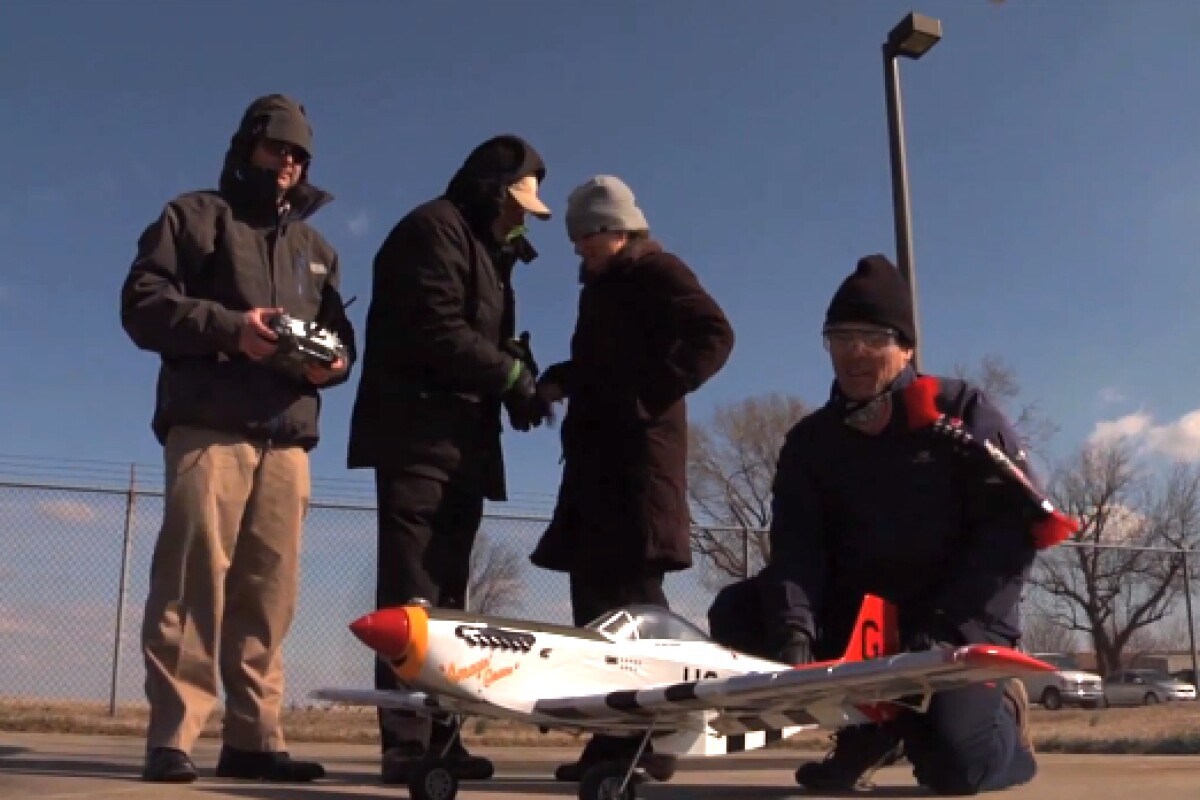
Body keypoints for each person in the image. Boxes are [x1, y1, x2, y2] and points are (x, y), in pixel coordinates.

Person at [707, 254, 1038, 795]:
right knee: (739, 613)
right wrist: (795, 631)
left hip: (955, 619)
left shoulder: (960, 412)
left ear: (906, 348)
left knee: (955, 769)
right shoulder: (810, 442)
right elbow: (796, 547)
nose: (854, 352)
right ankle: (868, 730)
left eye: (873, 338)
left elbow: (1011, 533)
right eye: (840, 338)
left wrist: (947, 630)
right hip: (862, 619)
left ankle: (1003, 717)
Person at [120, 94, 355, 783]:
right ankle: (173, 737)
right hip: (210, 427)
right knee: (192, 581)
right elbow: (142, 304)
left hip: (288, 438)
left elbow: (340, 337)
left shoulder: (318, 250)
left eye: (300, 153)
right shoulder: (193, 217)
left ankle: (254, 738)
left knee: (270, 594)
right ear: (247, 145)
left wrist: (336, 362)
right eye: (278, 146)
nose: (289, 161)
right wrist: (231, 329)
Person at [345, 134, 554, 784]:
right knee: (413, 595)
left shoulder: (489, 253)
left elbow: (487, 341)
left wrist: (517, 384)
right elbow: (436, 329)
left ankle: (443, 734)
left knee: (452, 600)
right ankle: (406, 741)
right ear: (492, 191)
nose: (522, 219)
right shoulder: (431, 232)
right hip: (416, 438)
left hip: (463, 442)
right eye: (517, 204)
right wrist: (509, 376)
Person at [529, 175, 736, 782]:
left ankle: (649, 738)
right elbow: (603, 367)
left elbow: (714, 334)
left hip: (636, 471)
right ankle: (615, 740)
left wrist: (647, 397)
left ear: (615, 229)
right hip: (596, 473)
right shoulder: (601, 290)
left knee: (634, 607)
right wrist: (561, 379)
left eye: (587, 236)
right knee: (597, 616)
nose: (579, 248)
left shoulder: (657, 272)